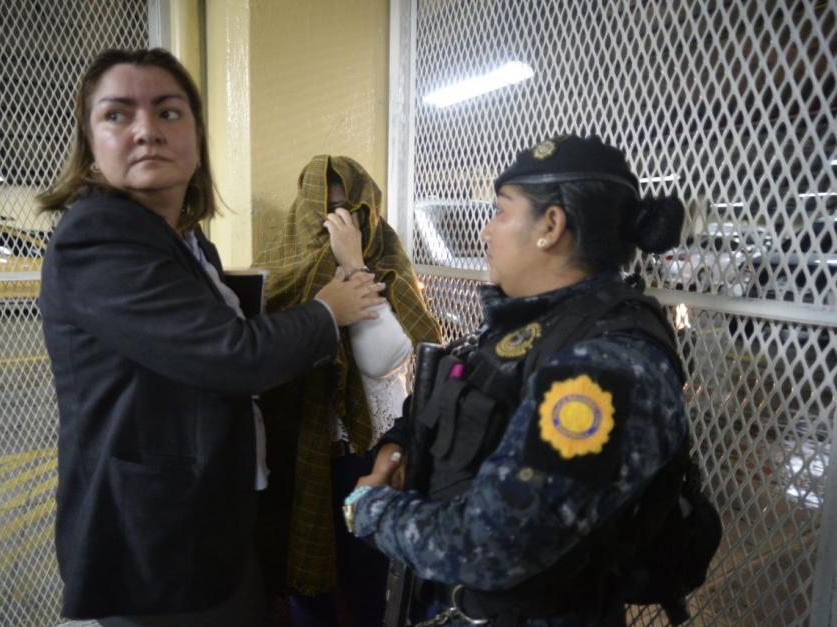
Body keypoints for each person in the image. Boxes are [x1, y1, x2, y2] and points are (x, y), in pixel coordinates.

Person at [36, 48, 385, 626]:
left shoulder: (188, 241)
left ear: (197, 143)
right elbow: (232, 355)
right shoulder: (98, 238)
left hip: (209, 517)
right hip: (156, 542)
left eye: (168, 112)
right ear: (90, 150)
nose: (147, 130)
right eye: (118, 115)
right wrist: (328, 309)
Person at [345, 135, 689, 626]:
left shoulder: (605, 365)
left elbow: (490, 547)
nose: (487, 231)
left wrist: (371, 508)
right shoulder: (532, 325)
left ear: (551, 226)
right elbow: (458, 401)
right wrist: (397, 449)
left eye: (501, 211)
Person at [254, 155, 440, 626]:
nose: (337, 222)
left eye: (348, 210)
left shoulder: (387, 268)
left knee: (372, 591)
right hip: (304, 459)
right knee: (309, 591)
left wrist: (354, 264)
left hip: (370, 460)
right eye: (326, 209)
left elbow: (383, 359)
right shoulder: (283, 267)